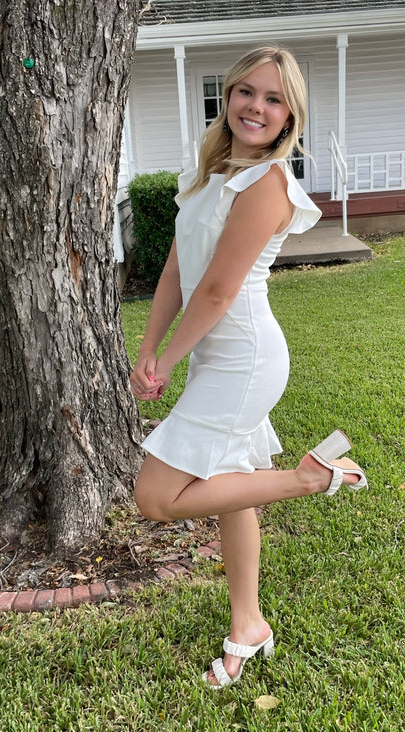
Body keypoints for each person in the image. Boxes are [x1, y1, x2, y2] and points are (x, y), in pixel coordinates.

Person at [130, 45, 367, 689]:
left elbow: (218, 291)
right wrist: (150, 349)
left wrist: (167, 364)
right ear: (227, 96)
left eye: (273, 99)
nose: (255, 107)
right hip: (216, 355)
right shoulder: (211, 173)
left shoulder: (267, 185)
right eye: (246, 92)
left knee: (156, 497)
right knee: (232, 493)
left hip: (243, 359)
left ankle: (312, 480)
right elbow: (179, 270)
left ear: (290, 116)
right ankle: (248, 625)